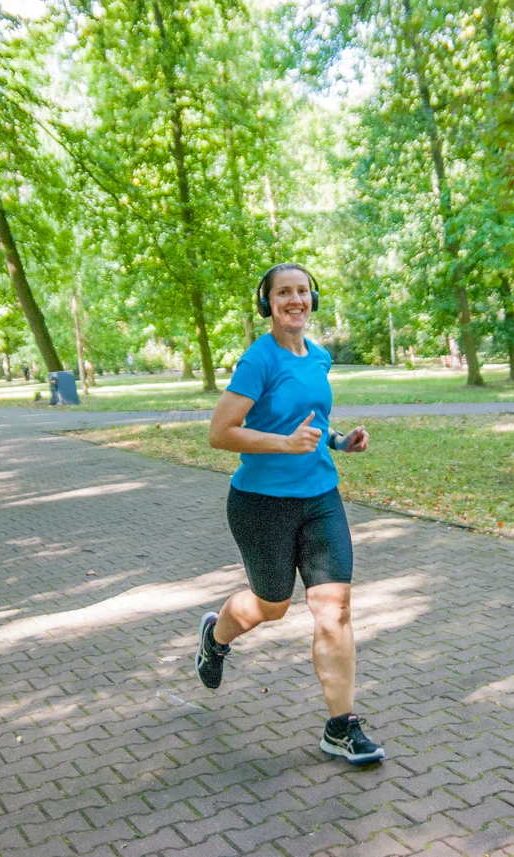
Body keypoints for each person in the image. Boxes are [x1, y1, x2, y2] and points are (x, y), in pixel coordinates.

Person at [198, 263, 383, 765]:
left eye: (303, 291)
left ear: (313, 299)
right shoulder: (258, 359)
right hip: (261, 505)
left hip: (321, 497)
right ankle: (216, 637)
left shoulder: (319, 357)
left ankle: (341, 727)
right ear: (268, 304)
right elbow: (220, 432)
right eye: (284, 293)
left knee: (334, 609)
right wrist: (282, 444)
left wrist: (339, 441)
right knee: (272, 605)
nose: (295, 300)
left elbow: (311, 423)